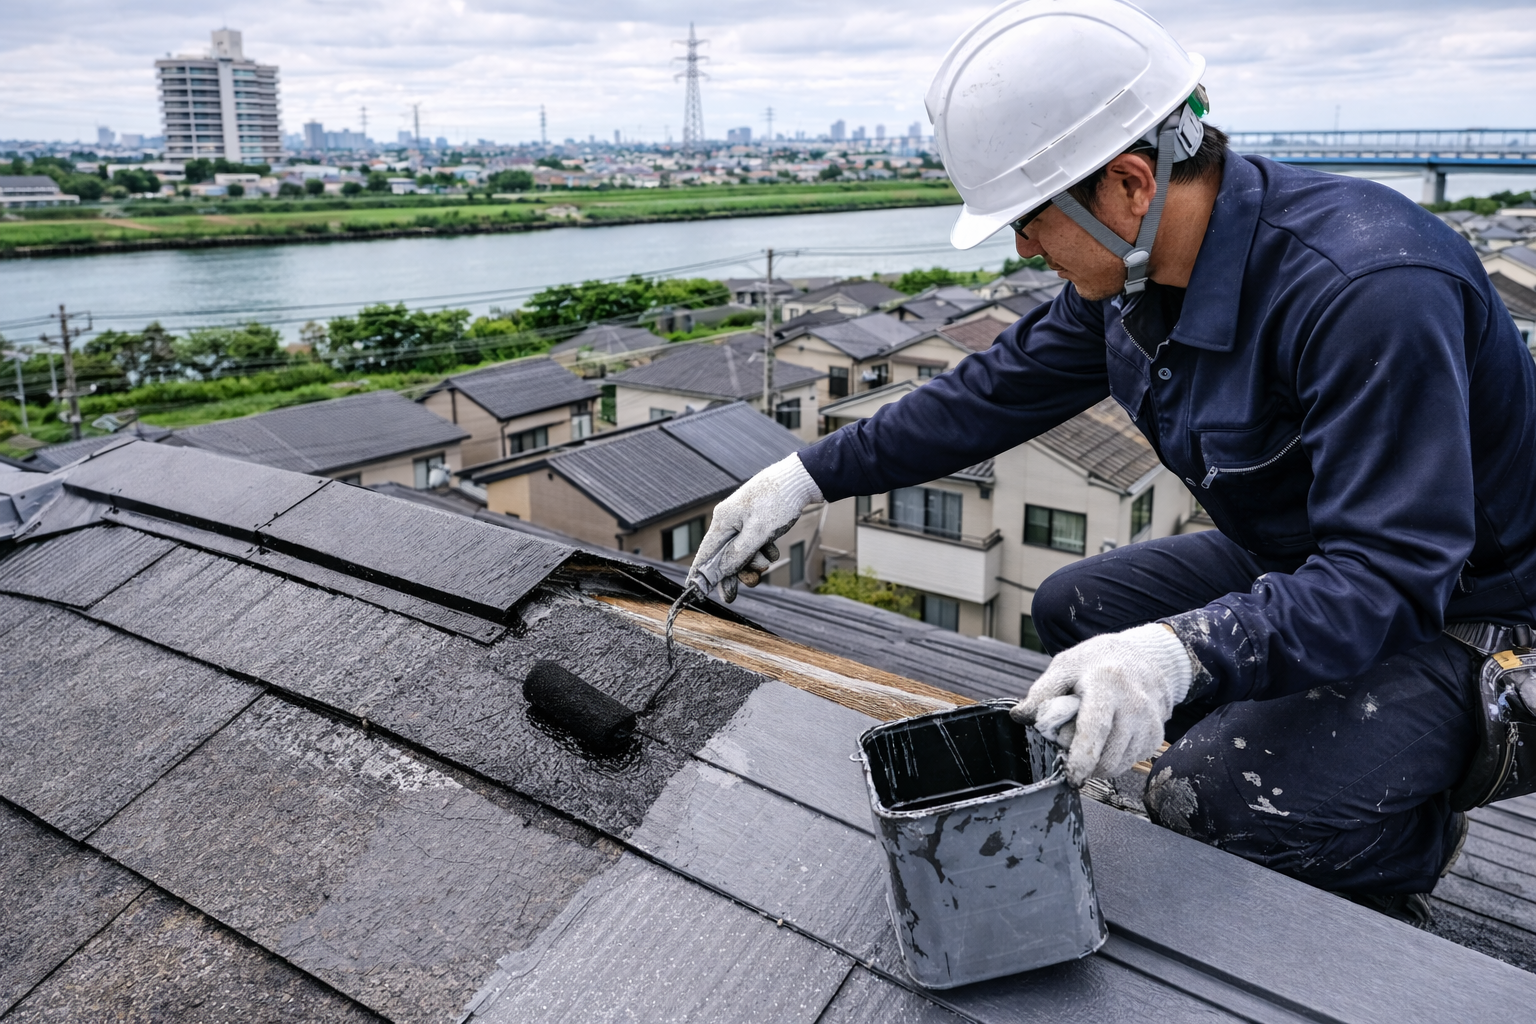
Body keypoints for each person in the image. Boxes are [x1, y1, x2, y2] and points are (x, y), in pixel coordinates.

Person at [687, 0, 1536, 924]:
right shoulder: (1135, 280)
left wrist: (1179, 658)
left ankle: (1390, 830)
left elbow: (1391, 572)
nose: (1021, 245)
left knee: (1205, 801)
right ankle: (1306, 735)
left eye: (1032, 219)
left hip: (1478, 611)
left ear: (1131, 183)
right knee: (1074, 612)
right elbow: (991, 393)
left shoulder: (1368, 290)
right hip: (1315, 565)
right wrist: (808, 477)